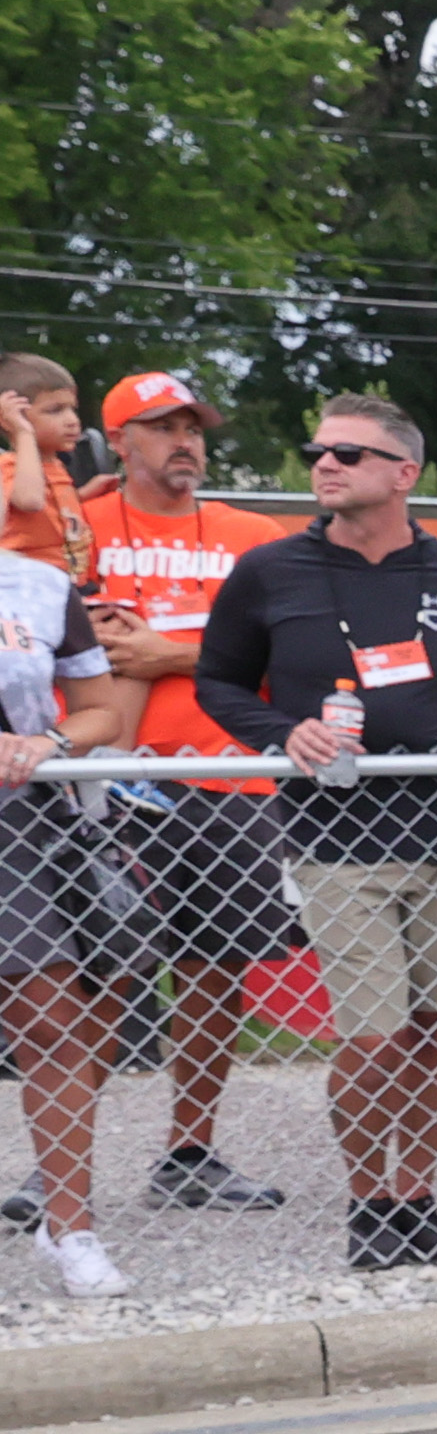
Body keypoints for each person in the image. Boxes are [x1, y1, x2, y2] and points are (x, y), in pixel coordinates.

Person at [192, 393, 437, 1270]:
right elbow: (218, 682)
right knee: (374, 1034)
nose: (326, 463)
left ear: (403, 474)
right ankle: (367, 1199)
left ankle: (413, 1200)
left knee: (434, 1030)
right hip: (336, 837)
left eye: (349, 452)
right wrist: (280, 733)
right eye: (320, 451)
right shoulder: (271, 571)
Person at [77, 370, 293, 1217]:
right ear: (119, 442)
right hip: (105, 782)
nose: (185, 442)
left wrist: (170, 654)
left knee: (216, 968)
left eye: (193, 427)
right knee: (104, 969)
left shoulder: (252, 533)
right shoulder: (76, 524)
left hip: (228, 774)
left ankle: (189, 1151)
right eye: (163, 428)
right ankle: (59, 1157)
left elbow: (283, 649)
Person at [0, 526, 145, 1293]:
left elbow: (100, 714)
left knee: (52, 1020)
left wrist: (46, 740)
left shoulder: (41, 585)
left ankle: (70, 1230)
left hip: (20, 821)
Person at [0, 353, 88, 576]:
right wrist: (23, 432)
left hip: (67, 576)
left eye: (72, 409)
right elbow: (30, 501)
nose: (72, 420)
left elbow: (55, 510)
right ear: (12, 417)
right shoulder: (10, 465)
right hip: (31, 579)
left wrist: (87, 495)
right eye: (55, 410)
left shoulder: (55, 465)